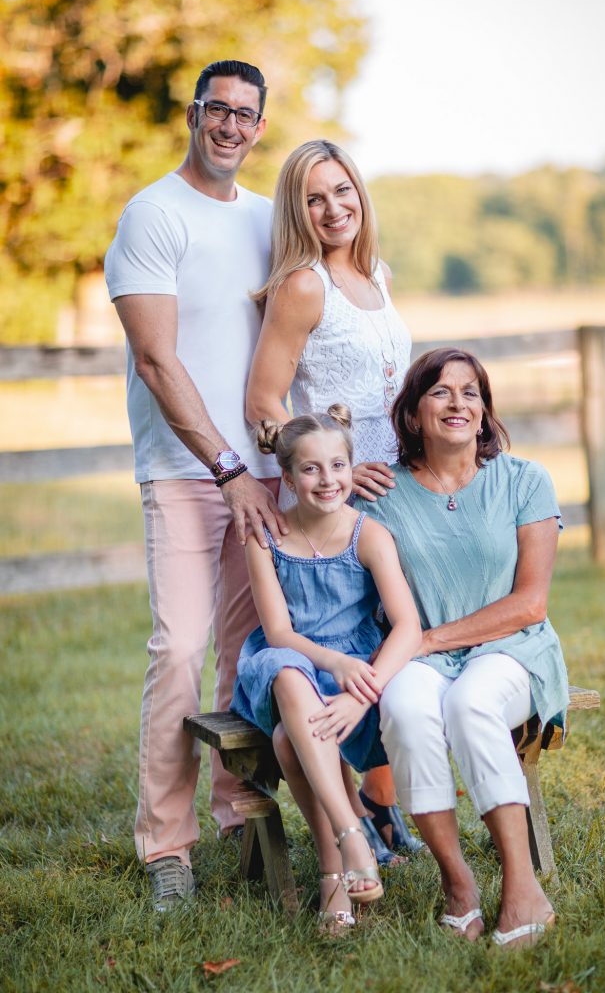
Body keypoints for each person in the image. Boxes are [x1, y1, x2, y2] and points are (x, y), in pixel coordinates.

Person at [104, 59, 288, 912]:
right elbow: (155, 358)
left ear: (258, 126)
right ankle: (164, 848)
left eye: (246, 116)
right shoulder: (151, 214)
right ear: (193, 113)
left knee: (247, 653)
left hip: (268, 473)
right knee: (179, 648)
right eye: (218, 110)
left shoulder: (267, 220)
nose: (231, 127)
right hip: (188, 470)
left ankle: (237, 812)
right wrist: (226, 468)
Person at [245, 138, 422, 861]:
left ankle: (382, 806)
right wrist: (331, 471)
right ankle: (353, 819)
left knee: (391, 635)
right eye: (314, 197)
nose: (333, 208)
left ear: (359, 192)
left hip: (397, 492)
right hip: (340, 499)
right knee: (346, 639)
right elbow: (263, 400)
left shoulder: (376, 273)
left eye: (342, 190)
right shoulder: (303, 284)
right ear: (298, 210)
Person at [364, 347, 570, 947]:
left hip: (513, 649)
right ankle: (458, 883)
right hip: (422, 657)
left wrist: (428, 639)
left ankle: (522, 883)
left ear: (484, 413)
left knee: (470, 703)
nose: (458, 403)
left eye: (471, 393)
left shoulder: (524, 480)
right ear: (411, 415)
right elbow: (310, 524)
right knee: (404, 707)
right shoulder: (382, 493)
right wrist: (339, 479)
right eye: (441, 392)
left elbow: (531, 603)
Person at [230, 406, 421, 932]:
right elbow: (279, 635)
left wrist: (360, 683)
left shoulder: (369, 534)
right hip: (293, 664)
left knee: (290, 743)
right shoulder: (265, 536)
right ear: (286, 477)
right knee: (289, 672)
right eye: (310, 469)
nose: (328, 479)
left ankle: (333, 875)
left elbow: (406, 626)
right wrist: (333, 660)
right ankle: (351, 830)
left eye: (338, 465)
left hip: (354, 678)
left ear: (350, 467)